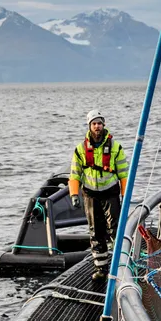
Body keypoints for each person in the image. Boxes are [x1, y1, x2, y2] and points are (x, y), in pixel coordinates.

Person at [68, 110, 129, 283]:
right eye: (94, 123)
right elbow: (74, 174)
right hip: (90, 194)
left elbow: (124, 174)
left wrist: (125, 195)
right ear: (89, 126)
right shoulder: (80, 150)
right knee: (96, 232)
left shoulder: (115, 147)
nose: (97, 126)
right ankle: (101, 269)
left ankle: (121, 267)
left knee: (115, 230)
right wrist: (74, 194)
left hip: (110, 192)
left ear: (104, 125)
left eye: (100, 123)